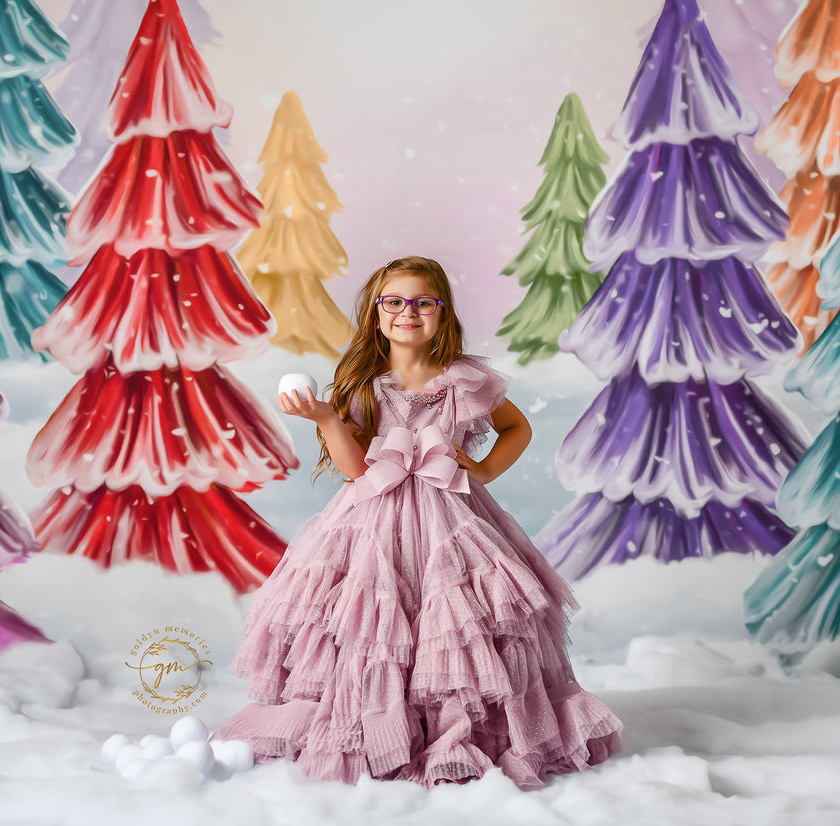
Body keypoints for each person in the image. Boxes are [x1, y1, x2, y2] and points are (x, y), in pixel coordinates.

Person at [214, 256, 622, 787]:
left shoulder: (464, 380)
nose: (409, 311)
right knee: (372, 621)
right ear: (377, 315)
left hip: (450, 516)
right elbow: (355, 469)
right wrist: (327, 418)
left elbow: (516, 428)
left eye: (423, 302)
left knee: (461, 620)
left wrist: (484, 469)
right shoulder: (365, 383)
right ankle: (380, 724)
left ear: (442, 313)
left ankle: (471, 723)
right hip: (374, 519)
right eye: (394, 301)